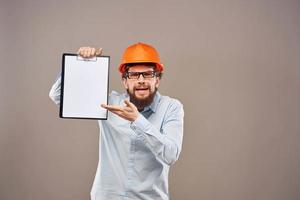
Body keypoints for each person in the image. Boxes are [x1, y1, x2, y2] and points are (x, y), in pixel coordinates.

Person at [49, 42, 184, 200]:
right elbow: (57, 95)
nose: (141, 80)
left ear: (157, 80)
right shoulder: (109, 103)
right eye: (134, 75)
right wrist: (82, 64)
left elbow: (171, 154)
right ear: (125, 81)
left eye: (148, 74)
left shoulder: (171, 108)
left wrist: (137, 120)